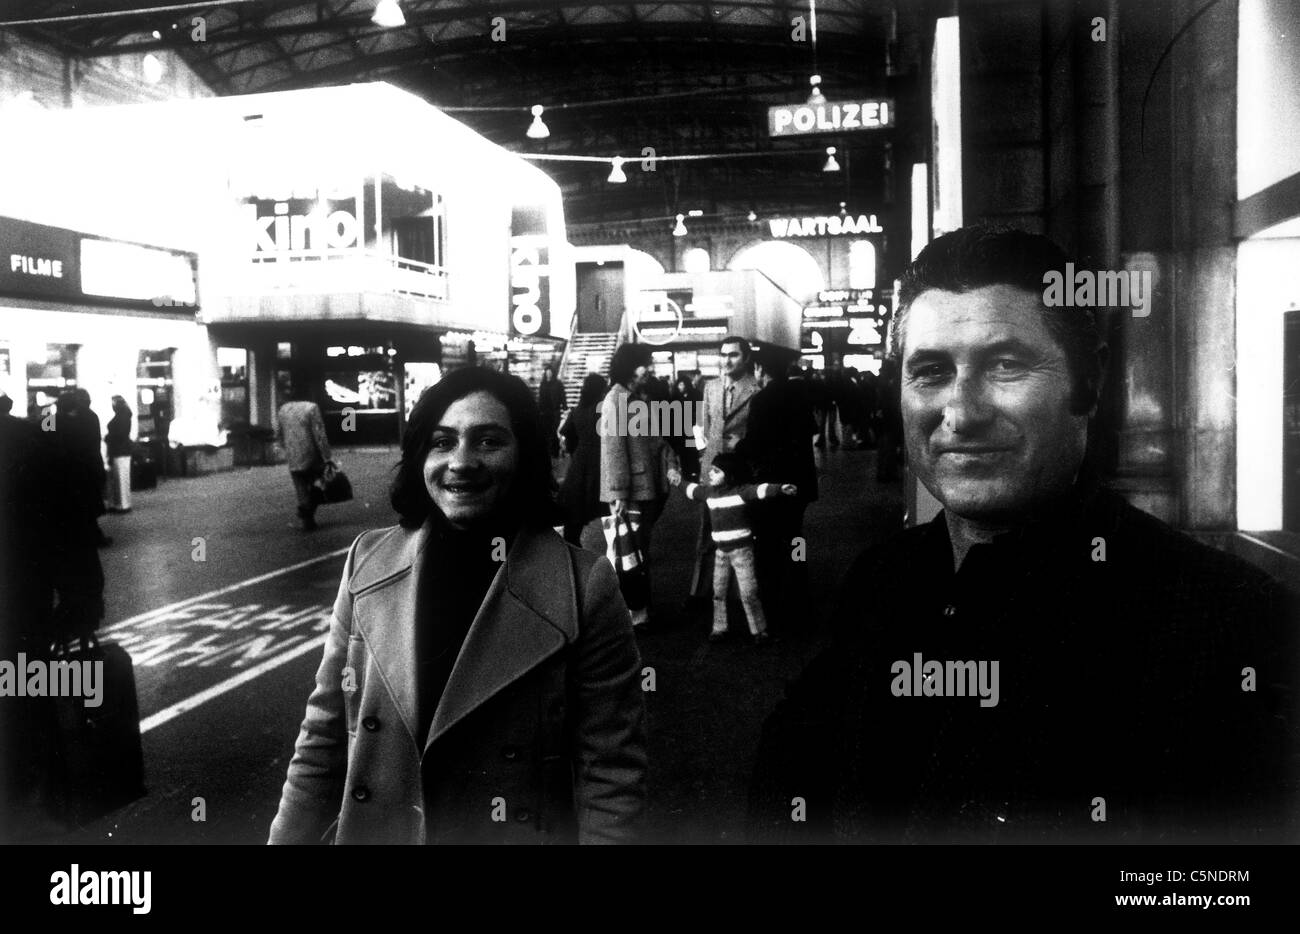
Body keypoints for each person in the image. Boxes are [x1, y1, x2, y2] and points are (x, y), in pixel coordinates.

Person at [749, 224, 1297, 843]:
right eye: (930, 372)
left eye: (1005, 365)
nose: (960, 413)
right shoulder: (881, 579)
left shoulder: (1221, 618)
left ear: (1089, 384)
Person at [269, 366, 647, 845]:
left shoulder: (583, 585)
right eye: (442, 442)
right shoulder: (367, 561)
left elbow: (611, 777)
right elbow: (322, 738)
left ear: (526, 455)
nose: (461, 462)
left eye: (488, 441)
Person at [674, 453, 797, 645]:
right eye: (711, 470)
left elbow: (760, 490)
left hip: (742, 552)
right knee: (718, 592)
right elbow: (692, 490)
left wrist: (780, 489)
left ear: (729, 475)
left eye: (716, 471)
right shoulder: (708, 493)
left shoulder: (740, 492)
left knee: (748, 592)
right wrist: (678, 482)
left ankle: (759, 630)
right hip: (721, 552)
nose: (710, 473)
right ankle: (720, 628)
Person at [736, 353, 818, 632]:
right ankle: (800, 594)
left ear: (760, 369)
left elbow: (754, 444)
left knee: (769, 546)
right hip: (800, 484)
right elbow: (811, 431)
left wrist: (734, 451)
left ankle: (775, 605)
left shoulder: (761, 400)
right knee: (795, 537)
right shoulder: (800, 395)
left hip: (773, 485)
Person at [599, 344, 677, 629]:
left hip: (646, 487)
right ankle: (635, 612)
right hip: (632, 492)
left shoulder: (634, 398)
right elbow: (614, 449)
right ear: (632, 366)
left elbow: (655, 440)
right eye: (646, 363)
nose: (650, 369)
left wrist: (671, 464)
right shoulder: (616, 399)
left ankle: (639, 608)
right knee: (631, 552)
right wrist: (618, 493)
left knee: (637, 551)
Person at [687, 336, 759, 606]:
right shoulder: (711, 387)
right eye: (724, 354)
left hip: (741, 472)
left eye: (734, 355)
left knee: (742, 534)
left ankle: (742, 595)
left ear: (746, 358)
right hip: (713, 470)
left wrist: (740, 444)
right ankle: (699, 592)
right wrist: (703, 459)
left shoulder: (756, 389)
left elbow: (758, 433)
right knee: (707, 532)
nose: (727, 360)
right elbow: (702, 428)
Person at [559, 372, 608, 546]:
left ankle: (572, 555)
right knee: (610, 511)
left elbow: (567, 434)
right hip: (603, 462)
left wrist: (576, 452)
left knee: (575, 514)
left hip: (580, 464)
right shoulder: (603, 410)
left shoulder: (577, 410)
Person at [276, 386, 333, 531]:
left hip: (293, 455)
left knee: (300, 487)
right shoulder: (311, 408)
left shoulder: (283, 409)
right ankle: (307, 514)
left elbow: (279, 433)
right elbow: (319, 434)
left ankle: (306, 516)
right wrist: (327, 456)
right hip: (311, 455)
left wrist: (285, 448)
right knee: (316, 485)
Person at [105, 395, 133, 514]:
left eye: (114, 403)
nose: (112, 406)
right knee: (118, 478)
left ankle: (123, 505)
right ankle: (119, 503)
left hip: (120, 450)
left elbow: (120, 434)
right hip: (119, 450)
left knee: (121, 478)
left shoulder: (122, 417)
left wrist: (108, 437)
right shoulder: (124, 416)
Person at [537, 364, 566, 459]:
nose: (548, 374)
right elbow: (541, 398)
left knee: (553, 431)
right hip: (545, 411)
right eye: (547, 373)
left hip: (554, 411)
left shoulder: (558, 384)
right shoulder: (543, 384)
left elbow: (562, 396)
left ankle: (554, 451)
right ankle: (550, 450)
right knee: (547, 431)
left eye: (550, 373)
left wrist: (564, 406)